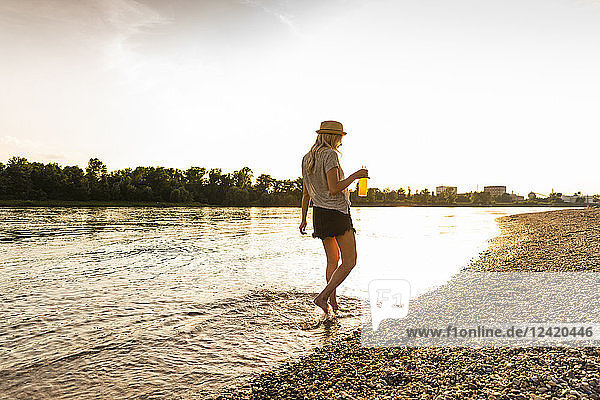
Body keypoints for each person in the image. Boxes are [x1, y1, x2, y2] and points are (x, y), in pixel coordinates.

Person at [299, 120, 369, 315]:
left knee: (332, 261)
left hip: (319, 214)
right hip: (337, 213)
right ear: (334, 137)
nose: (341, 142)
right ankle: (322, 297)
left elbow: (306, 193)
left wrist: (303, 218)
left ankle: (332, 305)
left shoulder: (307, 158)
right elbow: (334, 188)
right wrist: (356, 175)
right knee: (349, 261)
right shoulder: (330, 155)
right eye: (340, 137)